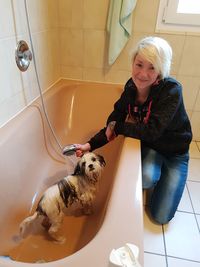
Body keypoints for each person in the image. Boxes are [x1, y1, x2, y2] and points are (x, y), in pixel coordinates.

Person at [73, 36, 192, 225]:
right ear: (133, 63)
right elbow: (114, 119)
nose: (143, 74)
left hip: (176, 152)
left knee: (160, 217)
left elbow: (150, 131)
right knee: (145, 179)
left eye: (152, 67)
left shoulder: (171, 90)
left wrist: (117, 126)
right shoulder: (130, 87)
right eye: (139, 64)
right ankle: (155, 175)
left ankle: (164, 178)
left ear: (161, 69)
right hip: (153, 147)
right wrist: (89, 145)